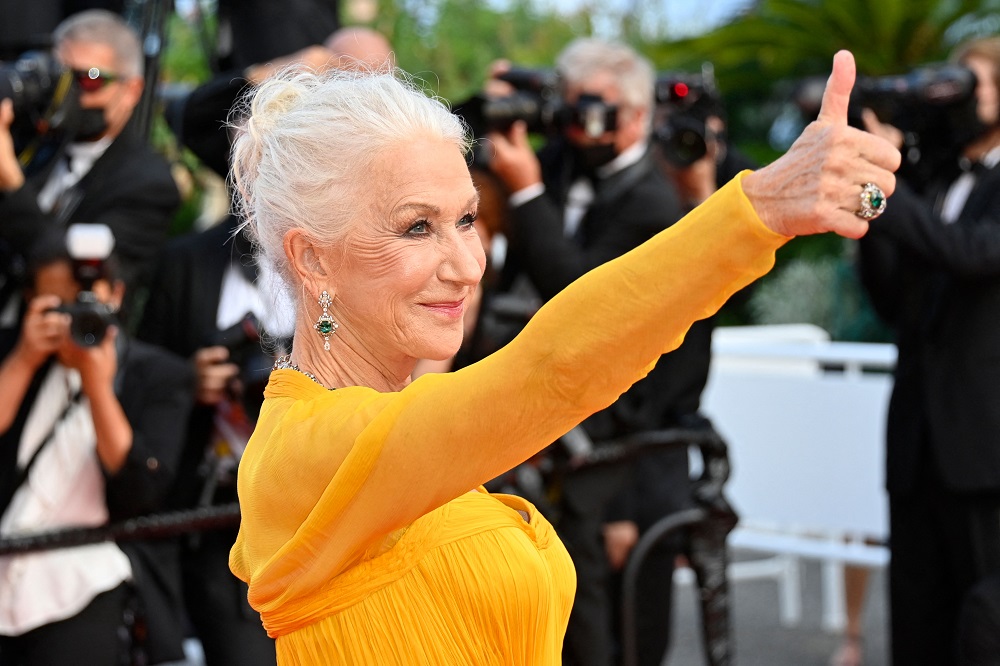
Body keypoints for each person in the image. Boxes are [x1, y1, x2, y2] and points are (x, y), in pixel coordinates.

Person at [225, 50, 898, 664]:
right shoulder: (310, 453)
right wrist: (760, 209)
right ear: (312, 257)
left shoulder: (392, 426)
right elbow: (551, 371)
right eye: (417, 227)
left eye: (466, 219)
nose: (467, 265)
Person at [139, 26, 396, 666]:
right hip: (215, 515)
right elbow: (142, 363)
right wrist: (185, 379)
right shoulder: (188, 263)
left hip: (336, 509)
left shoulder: (373, 251)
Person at [857, 36, 1000, 666]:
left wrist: (881, 189)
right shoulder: (934, 180)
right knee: (916, 626)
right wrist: (872, 190)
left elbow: (968, 255)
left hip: (987, 454)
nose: (957, 99)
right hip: (916, 446)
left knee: (984, 628)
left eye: (973, 84)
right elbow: (892, 299)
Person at [0, 228, 193, 664]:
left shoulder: (160, 375)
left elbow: (142, 490)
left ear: (118, 295)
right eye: (59, 307)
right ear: (32, 302)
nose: (74, 322)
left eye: (87, 306)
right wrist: (23, 361)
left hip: (90, 580)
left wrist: (98, 388)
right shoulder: (13, 353)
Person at [0, 9, 180, 342]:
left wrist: (11, 185)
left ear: (132, 90)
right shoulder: (33, 143)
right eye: (60, 79)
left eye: (90, 79)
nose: (71, 96)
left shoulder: (150, 184)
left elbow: (77, 280)